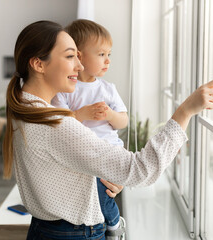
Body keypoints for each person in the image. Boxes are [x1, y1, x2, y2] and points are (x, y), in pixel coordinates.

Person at [3, 20, 213, 240]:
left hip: (45, 229)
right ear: (38, 64)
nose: (79, 66)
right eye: (71, 56)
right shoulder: (54, 123)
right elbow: (141, 170)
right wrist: (185, 111)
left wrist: (105, 173)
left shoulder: (24, 105)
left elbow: (60, 165)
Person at [51, 19, 127, 239]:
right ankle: (110, 222)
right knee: (93, 192)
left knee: (103, 191)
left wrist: (110, 115)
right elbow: (60, 124)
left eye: (109, 54)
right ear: (80, 56)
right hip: (82, 154)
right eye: (102, 54)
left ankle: (113, 222)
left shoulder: (108, 89)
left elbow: (123, 121)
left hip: (109, 151)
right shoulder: (65, 90)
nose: (108, 61)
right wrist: (82, 114)